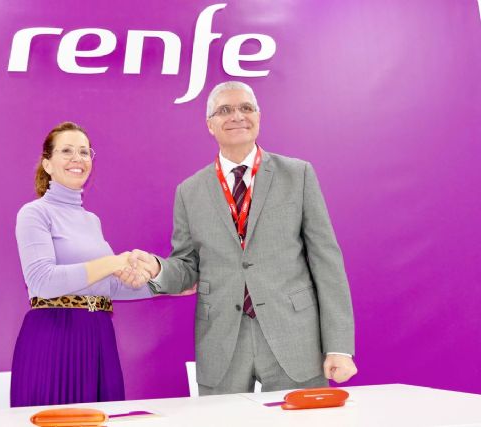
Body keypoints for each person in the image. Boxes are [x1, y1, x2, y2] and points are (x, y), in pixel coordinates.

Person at [117, 81, 357, 395]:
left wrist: (339, 346)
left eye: (246, 108)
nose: (237, 116)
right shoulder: (189, 191)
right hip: (221, 342)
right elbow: (188, 265)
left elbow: (326, 261)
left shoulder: (297, 174)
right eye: (225, 110)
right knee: (222, 419)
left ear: (258, 116)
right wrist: (158, 269)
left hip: (294, 337)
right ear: (210, 124)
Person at [10, 121, 152, 407]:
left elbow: (108, 286)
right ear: (47, 164)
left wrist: (172, 284)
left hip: (99, 335)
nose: (78, 158)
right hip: (55, 338)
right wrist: (112, 262)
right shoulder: (35, 213)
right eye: (67, 151)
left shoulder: (92, 221)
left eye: (84, 152)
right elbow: (42, 281)